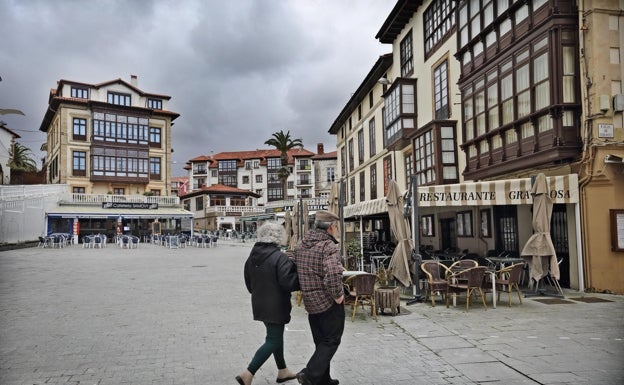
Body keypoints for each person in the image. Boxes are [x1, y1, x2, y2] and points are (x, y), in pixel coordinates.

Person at [236, 222, 300, 385]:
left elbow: (248, 281)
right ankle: (248, 373)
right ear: (279, 237)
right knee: (273, 339)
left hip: (260, 303)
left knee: (275, 336)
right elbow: (288, 283)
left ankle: (283, 371)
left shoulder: (252, 257)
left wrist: (259, 294)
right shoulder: (280, 257)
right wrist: (296, 271)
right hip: (276, 305)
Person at [293, 210, 344, 385]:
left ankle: (323, 380)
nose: (336, 229)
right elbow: (332, 274)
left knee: (321, 342)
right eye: (335, 226)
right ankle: (309, 374)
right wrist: (338, 295)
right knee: (331, 340)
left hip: (310, 301)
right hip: (328, 302)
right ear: (330, 227)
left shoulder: (301, 244)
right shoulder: (327, 246)